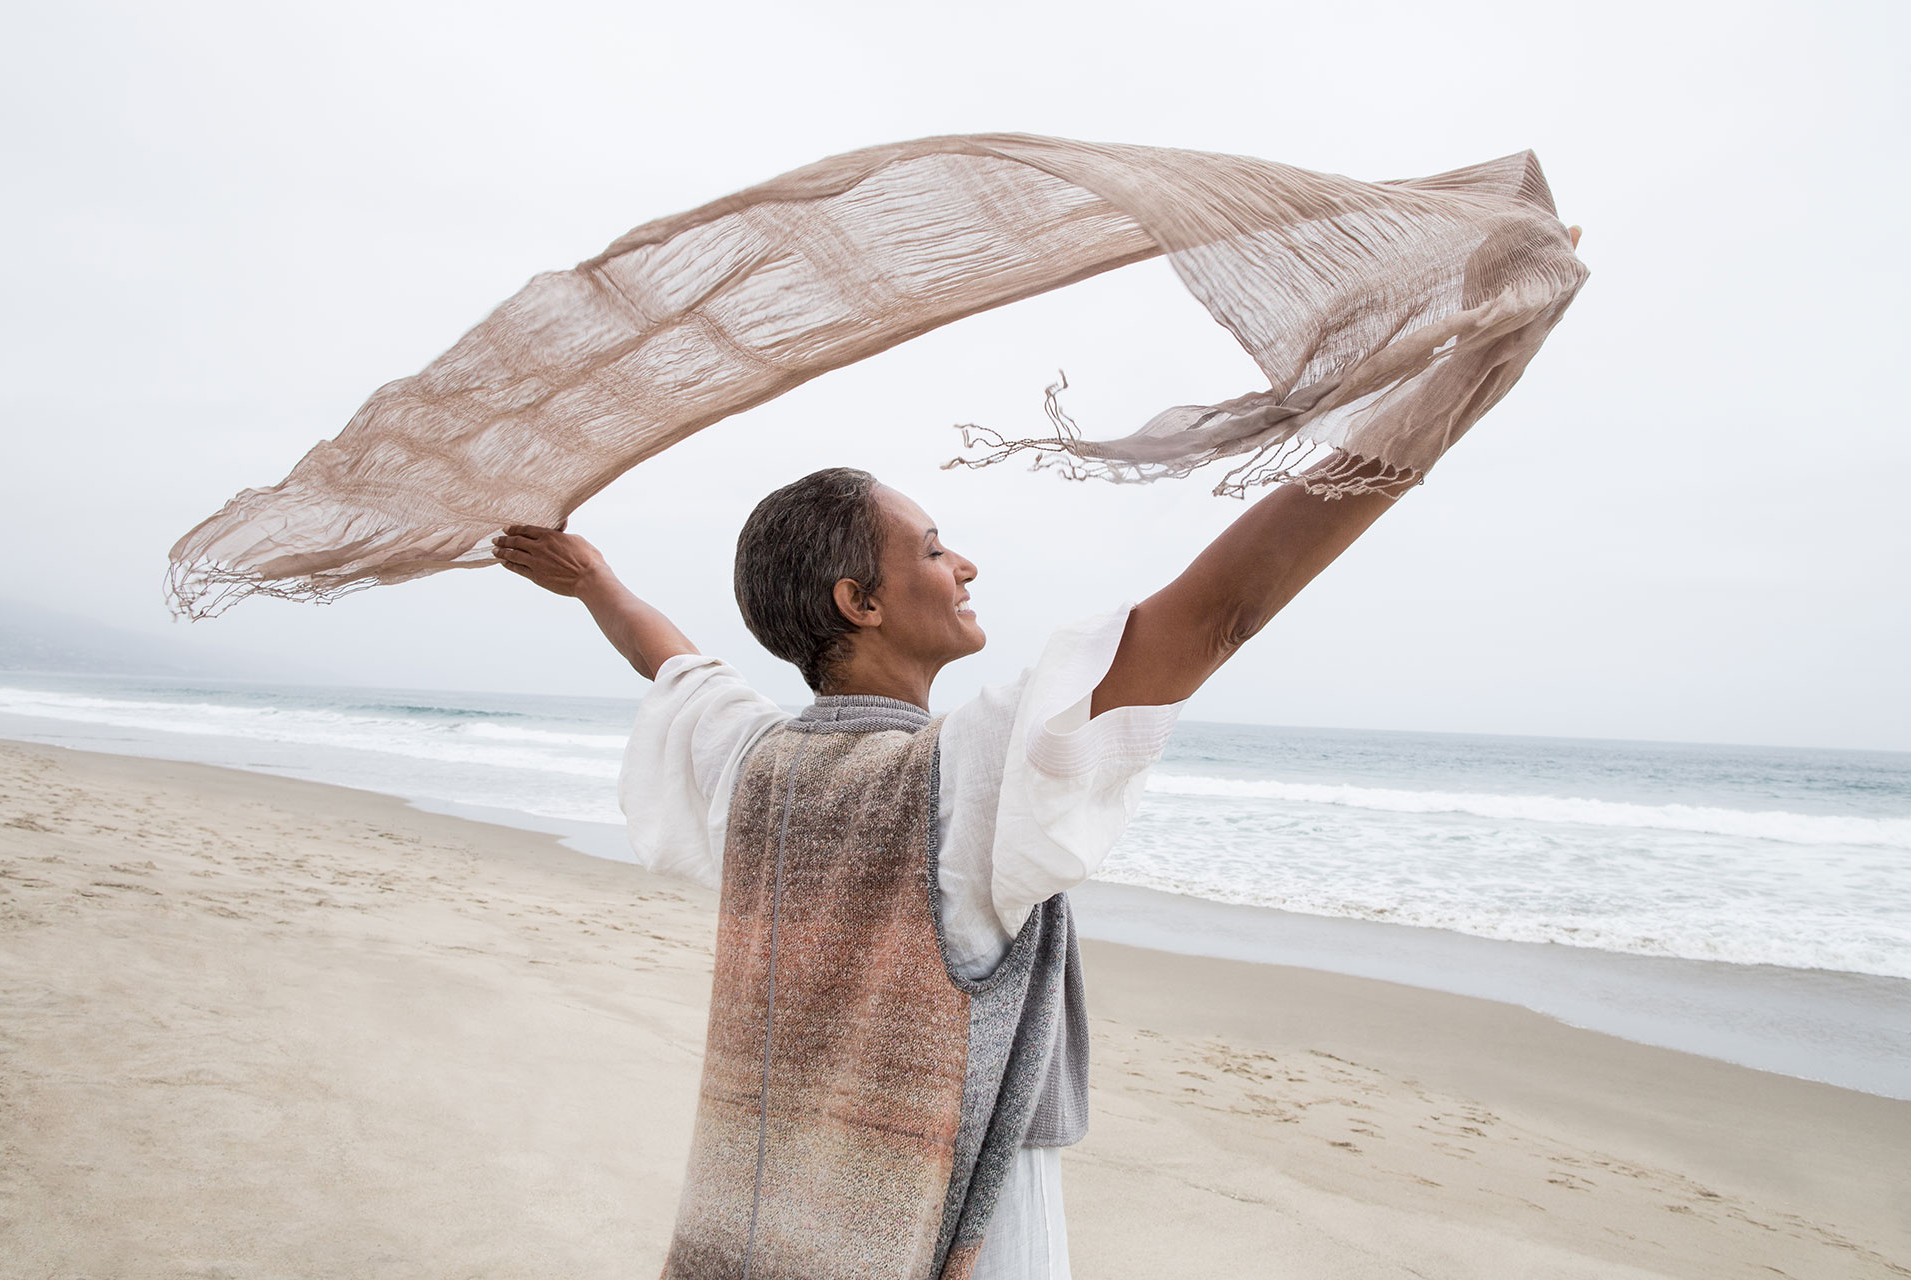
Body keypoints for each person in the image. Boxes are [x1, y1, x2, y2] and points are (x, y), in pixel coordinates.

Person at [493, 224, 1581, 1279]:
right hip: (954, 1214)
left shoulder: (754, 767)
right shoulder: (960, 777)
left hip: (773, 1214)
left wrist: (596, 581)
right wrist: (1472, 376)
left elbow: (675, 666)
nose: (963, 565)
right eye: (929, 547)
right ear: (859, 600)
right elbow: (1218, 617)